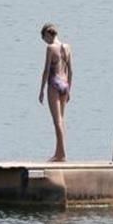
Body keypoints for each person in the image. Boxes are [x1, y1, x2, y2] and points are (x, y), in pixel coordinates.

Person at [38, 22, 73, 162]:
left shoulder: (51, 48)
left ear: (47, 34)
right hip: (65, 84)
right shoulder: (67, 47)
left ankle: (61, 154)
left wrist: (41, 90)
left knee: (57, 120)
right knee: (61, 120)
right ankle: (58, 152)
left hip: (54, 83)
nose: (45, 41)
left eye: (44, 38)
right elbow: (71, 70)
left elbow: (46, 70)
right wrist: (69, 89)